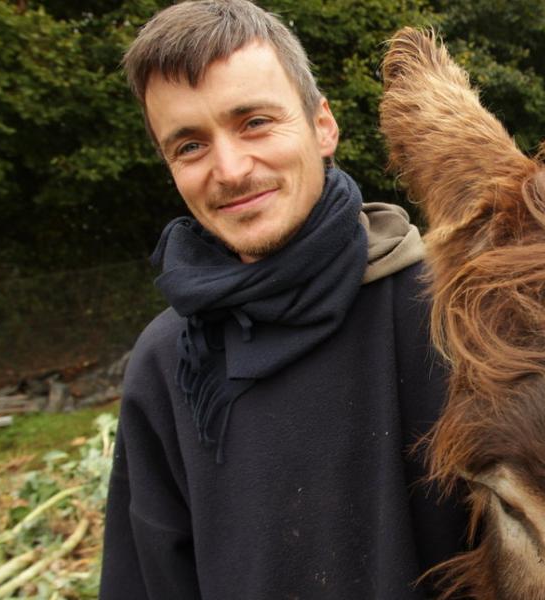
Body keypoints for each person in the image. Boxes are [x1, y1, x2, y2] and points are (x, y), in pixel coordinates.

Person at [100, 1, 466, 598]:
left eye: (254, 123)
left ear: (323, 125)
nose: (231, 168)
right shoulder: (167, 362)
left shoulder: (448, 310)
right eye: (189, 146)